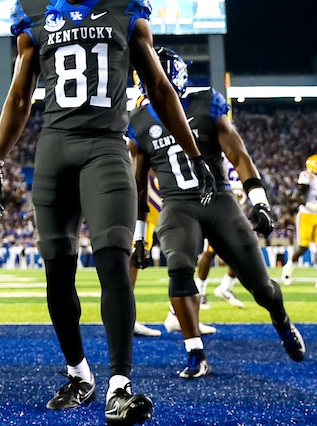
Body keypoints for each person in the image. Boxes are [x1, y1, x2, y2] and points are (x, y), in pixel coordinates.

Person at [0, 0, 206, 426]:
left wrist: (194, 153)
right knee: (57, 269)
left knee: (113, 262)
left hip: (106, 148)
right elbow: (19, 96)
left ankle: (120, 386)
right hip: (54, 149)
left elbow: (158, 86)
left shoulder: (125, 1)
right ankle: (78, 373)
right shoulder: (33, 12)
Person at [129, 49, 306, 378]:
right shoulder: (138, 120)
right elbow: (138, 187)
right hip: (177, 204)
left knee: (262, 288)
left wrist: (259, 202)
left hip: (219, 200)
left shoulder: (205, 103)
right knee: (178, 267)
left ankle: (282, 322)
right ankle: (195, 352)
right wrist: (138, 237)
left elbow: (238, 155)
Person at [281, 154, 317, 286]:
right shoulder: (308, 176)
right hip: (307, 214)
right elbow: (295, 197)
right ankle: (287, 270)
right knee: (303, 247)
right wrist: (309, 205)